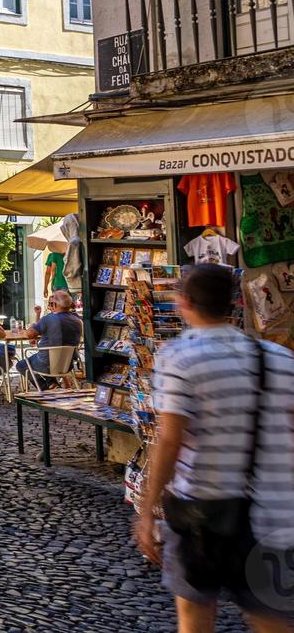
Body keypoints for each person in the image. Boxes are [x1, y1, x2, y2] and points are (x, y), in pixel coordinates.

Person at [136, 264, 294, 632]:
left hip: (201, 514)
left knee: (195, 617)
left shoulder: (179, 356)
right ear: (234, 304)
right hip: (275, 516)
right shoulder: (282, 359)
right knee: (272, 621)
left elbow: (170, 439)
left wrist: (147, 510)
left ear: (183, 302)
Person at [0, 289, 83, 388]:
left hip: (46, 363)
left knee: (21, 365)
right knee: (45, 361)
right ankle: (52, 384)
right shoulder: (77, 320)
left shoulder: (48, 319)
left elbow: (29, 335)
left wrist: (32, 326)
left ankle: (46, 389)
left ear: (55, 305)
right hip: (67, 364)